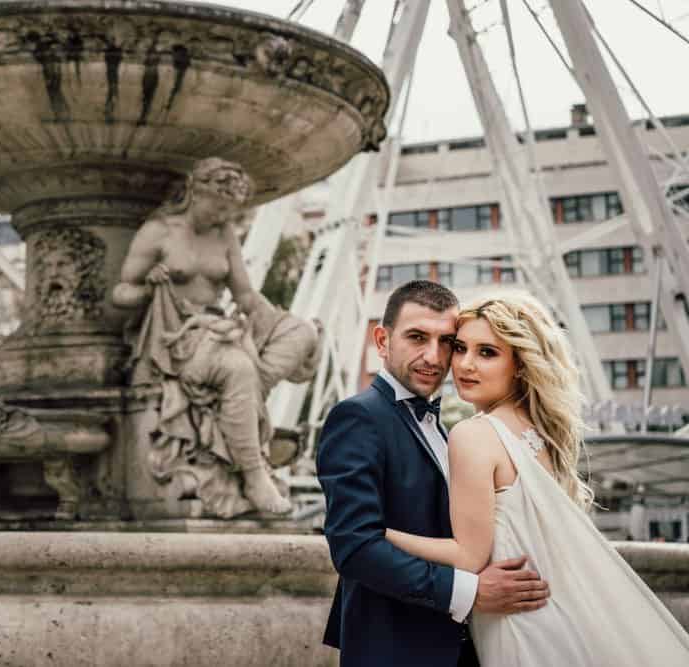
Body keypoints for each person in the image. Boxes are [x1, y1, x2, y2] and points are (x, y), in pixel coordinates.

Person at [381, 291, 689, 664]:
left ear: (521, 365)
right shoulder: (542, 433)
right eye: (460, 348)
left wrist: (382, 532)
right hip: (557, 617)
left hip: (517, 627)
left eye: (487, 352)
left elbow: (467, 556)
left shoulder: (473, 434)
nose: (465, 364)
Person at [316, 280, 550, 667]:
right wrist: (470, 592)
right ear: (382, 340)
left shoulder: (446, 429)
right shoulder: (357, 417)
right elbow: (354, 547)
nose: (434, 356)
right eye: (417, 337)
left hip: (466, 647)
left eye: (447, 342)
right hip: (396, 649)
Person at [112, 157, 319, 517]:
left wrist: (282, 327)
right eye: (218, 207)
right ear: (196, 191)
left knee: (301, 333)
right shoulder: (159, 232)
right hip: (177, 340)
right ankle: (254, 476)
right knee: (237, 367)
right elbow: (119, 293)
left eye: (230, 211)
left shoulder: (224, 234)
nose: (223, 217)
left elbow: (245, 296)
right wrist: (148, 289)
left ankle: (241, 405)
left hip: (217, 329)